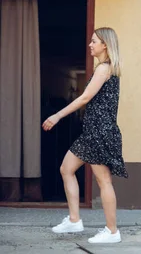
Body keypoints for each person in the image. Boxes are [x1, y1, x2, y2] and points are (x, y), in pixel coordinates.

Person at [43, 27, 127, 244]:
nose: (90, 45)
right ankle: (74, 219)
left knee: (103, 180)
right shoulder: (104, 68)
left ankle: (112, 231)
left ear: (105, 45)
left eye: (94, 41)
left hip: (100, 132)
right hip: (92, 132)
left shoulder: (104, 69)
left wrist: (57, 115)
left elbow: (84, 98)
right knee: (66, 169)